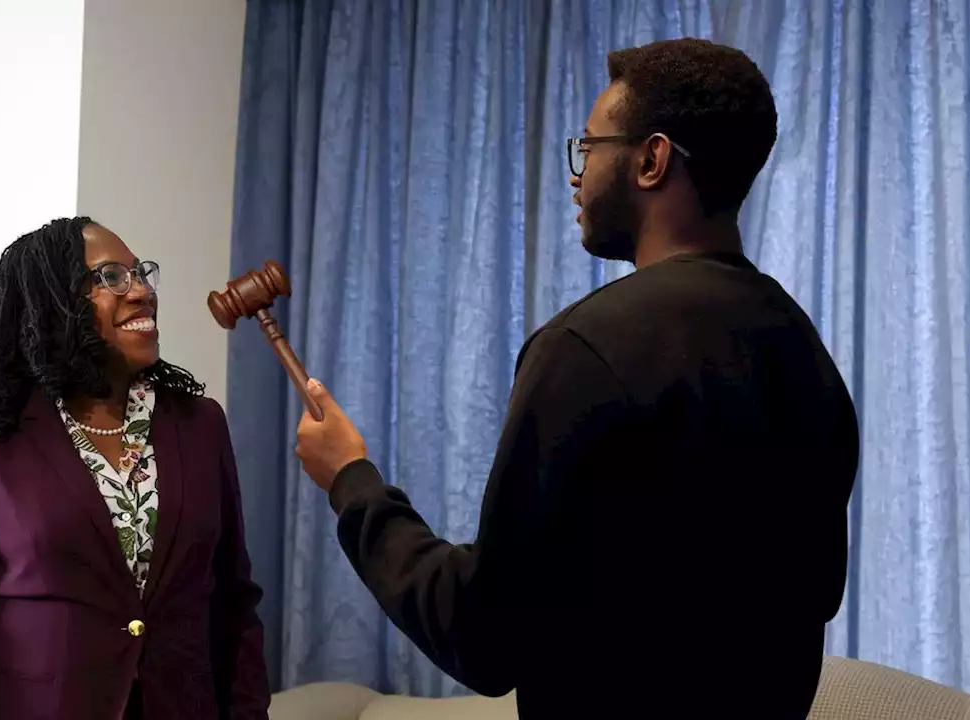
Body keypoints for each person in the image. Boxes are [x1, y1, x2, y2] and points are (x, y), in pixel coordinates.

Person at [294, 38, 859, 719]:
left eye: (590, 147)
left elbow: (482, 634)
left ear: (651, 159)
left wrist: (351, 481)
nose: (578, 173)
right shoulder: (805, 356)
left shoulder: (585, 349)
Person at [0, 217, 270, 719]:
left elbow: (234, 605)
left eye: (141, 273)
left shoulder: (200, 425)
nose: (141, 290)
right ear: (53, 303)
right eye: (112, 277)